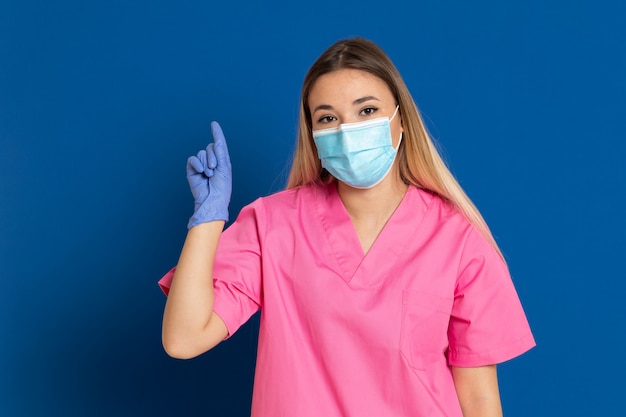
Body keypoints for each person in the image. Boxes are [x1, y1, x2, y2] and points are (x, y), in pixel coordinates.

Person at [159, 37, 535, 417]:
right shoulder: (273, 224)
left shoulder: (457, 238)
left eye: (367, 110)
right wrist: (208, 218)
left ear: (401, 118)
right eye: (328, 118)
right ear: (314, 134)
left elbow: (479, 399)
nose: (346, 131)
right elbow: (184, 339)